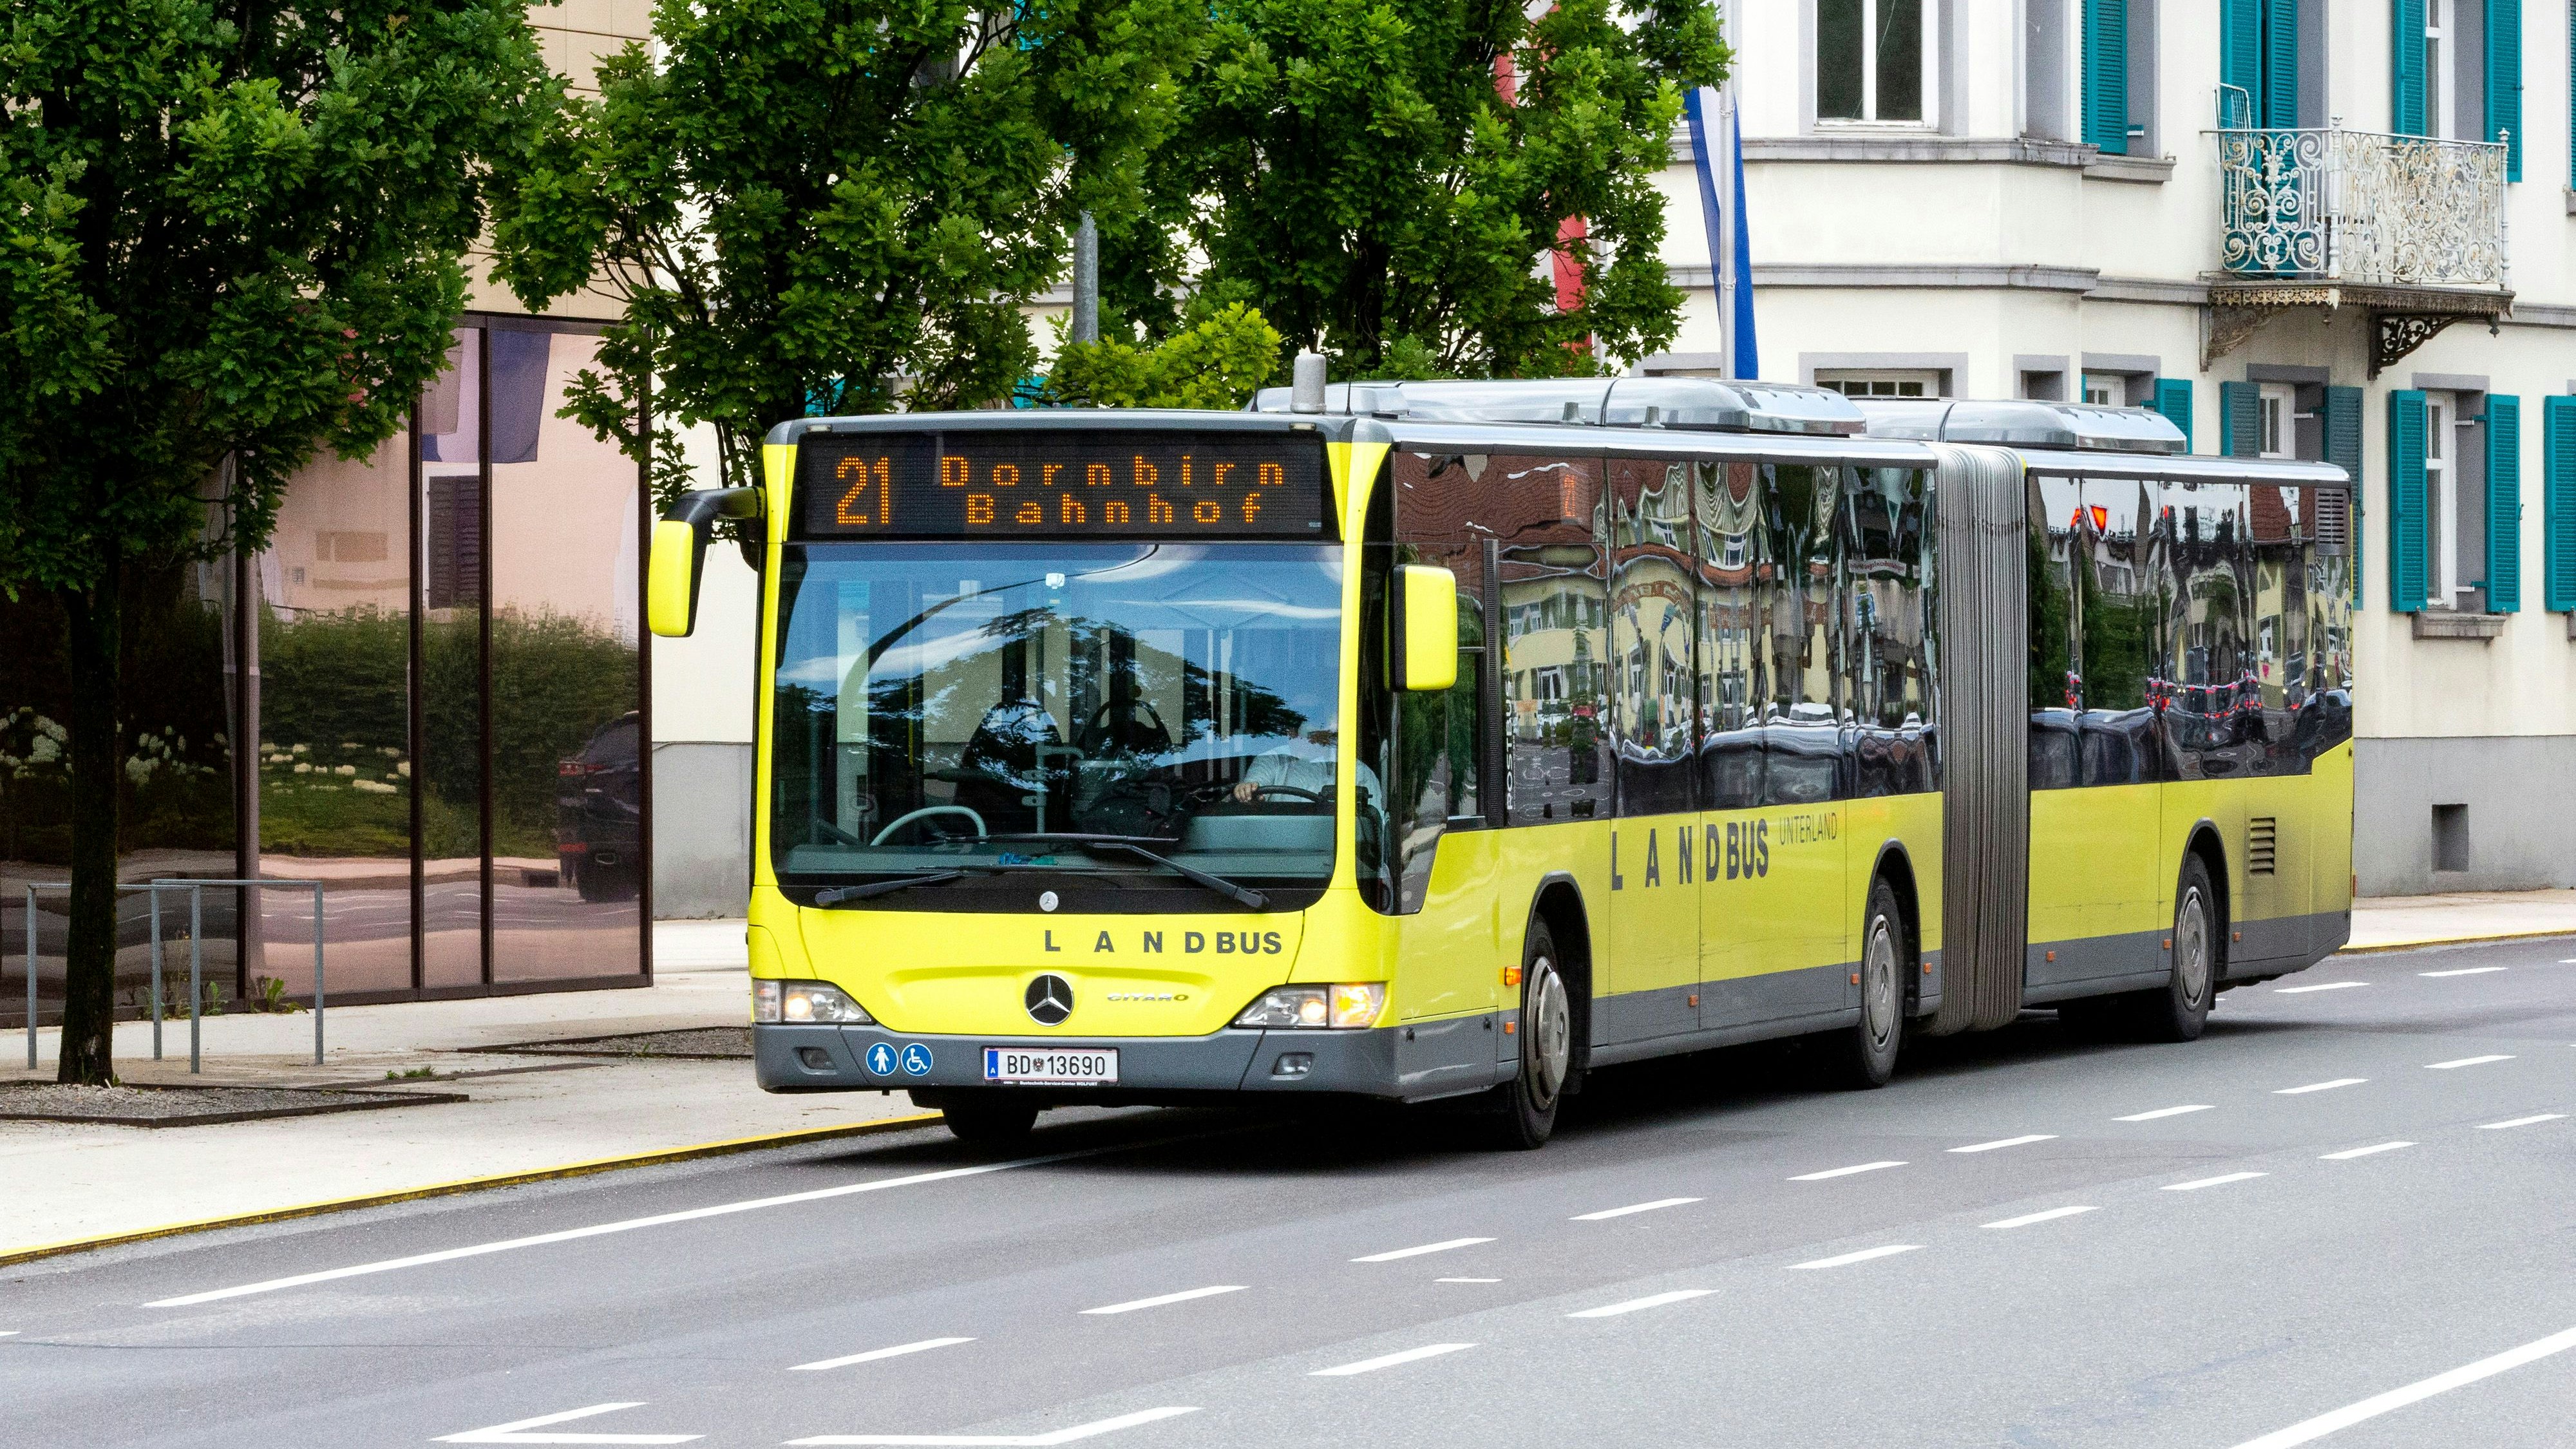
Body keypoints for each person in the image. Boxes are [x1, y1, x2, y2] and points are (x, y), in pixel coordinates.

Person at [1231, 729, 1381, 804]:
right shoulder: (1273, 759)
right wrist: (1246, 789)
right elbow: (1254, 783)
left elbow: (1373, 824)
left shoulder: (1358, 771)